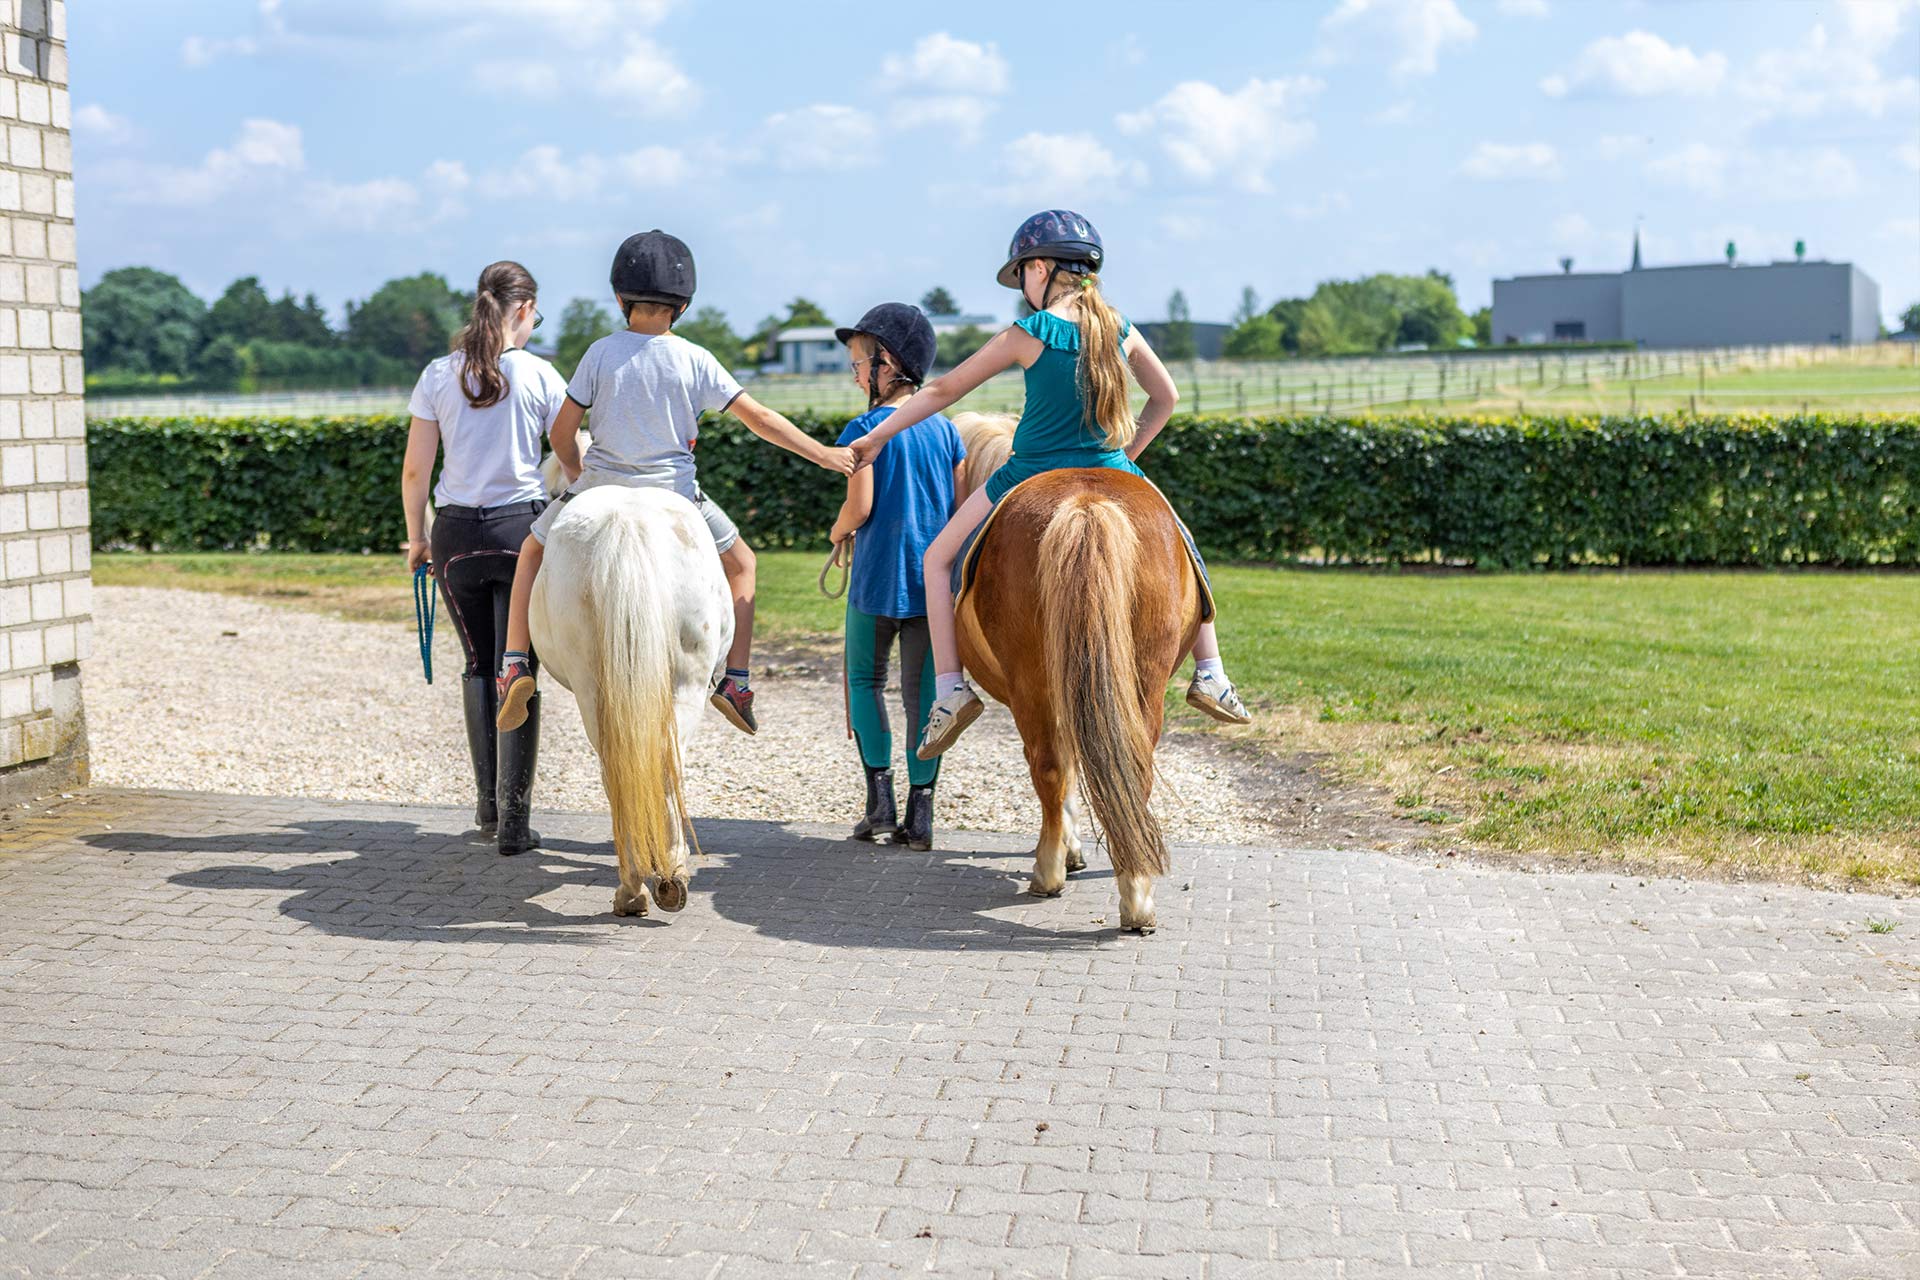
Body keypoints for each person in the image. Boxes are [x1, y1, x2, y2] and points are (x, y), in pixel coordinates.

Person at [849, 210, 1252, 760]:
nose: (1023, 289)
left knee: (937, 560)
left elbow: (942, 392)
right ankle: (1211, 672)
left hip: (1028, 473)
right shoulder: (1120, 328)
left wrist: (877, 439)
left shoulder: (1029, 333)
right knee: (1182, 550)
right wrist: (1124, 458)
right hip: (1114, 469)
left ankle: (950, 691)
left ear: (1040, 267)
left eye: (1023, 277)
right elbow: (1167, 399)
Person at [494, 230, 855, 738]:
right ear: (683, 304)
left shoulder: (599, 353)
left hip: (597, 486)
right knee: (744, 564)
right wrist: (822, 454)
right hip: (678, 495)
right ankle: (735, 680)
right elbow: (759, 418)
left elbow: (560, 431)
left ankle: (513, 665)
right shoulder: (695, 358)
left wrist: (580, 480)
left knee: (531, 551)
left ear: (620, 298)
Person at [400, 260, 568, 856]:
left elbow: (417, 469)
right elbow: (569, 456)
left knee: (478, 663)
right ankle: (517, 823)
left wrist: (417, 537)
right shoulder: (541, 374)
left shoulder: (438, 374)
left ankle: (488, 807)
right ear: (523, 310)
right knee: (516, 667)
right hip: (519, 530)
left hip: (454, 538)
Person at [827, 304, 967, 849]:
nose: (856, 373)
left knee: (865, 682)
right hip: (931, 588)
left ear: (888, 364)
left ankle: (879, 804)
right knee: (924, 696)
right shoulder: (949, 432)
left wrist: (836, 533)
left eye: (860, 362)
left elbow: (858, 509)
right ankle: (923, 814)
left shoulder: (864, 429)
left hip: (875, 581)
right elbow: (957, 511)